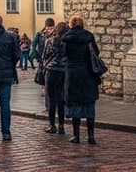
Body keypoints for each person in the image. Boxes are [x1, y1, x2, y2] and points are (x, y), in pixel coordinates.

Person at [62, 14, 101, 144]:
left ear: (71, 24)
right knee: (89, 105)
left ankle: (76, 135)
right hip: (88, 73)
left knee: (75, 105)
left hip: (73, 74)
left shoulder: (66, 38)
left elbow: (64, 54)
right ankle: (91, 136)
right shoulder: (89, 37)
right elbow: (96, 52)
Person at [41, 21, 68, 135]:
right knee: (61, 99)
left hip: (51, 70)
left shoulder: (50, 41)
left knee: (51, 98)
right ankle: (61, 125)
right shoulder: (68, 42)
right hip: (63, 71)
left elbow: (44, 55)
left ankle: (52, 125)